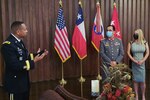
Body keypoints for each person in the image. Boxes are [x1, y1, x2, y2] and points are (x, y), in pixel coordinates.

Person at [1, 21, 48, 100]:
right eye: (25, 29)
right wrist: (34, 61)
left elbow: (24, 57)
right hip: (15, 85)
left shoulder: (19, 42)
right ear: (18, 32)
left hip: (23, 83)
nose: (27, 31)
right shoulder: (7, 45)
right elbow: (14, 65)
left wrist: (38, 54)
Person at [127, 29, 149, 100]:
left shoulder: (145, 42)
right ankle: (136, 95)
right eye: (134, 33)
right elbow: (128, 53)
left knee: (142, 81)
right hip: (134, 64)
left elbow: (148, 53)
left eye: (135, 33)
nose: (134, 35)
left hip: (142, 64)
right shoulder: (131, 43)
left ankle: (143, 95)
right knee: (135, 81)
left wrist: (142, 60)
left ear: (140, 34)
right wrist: (134, 60)